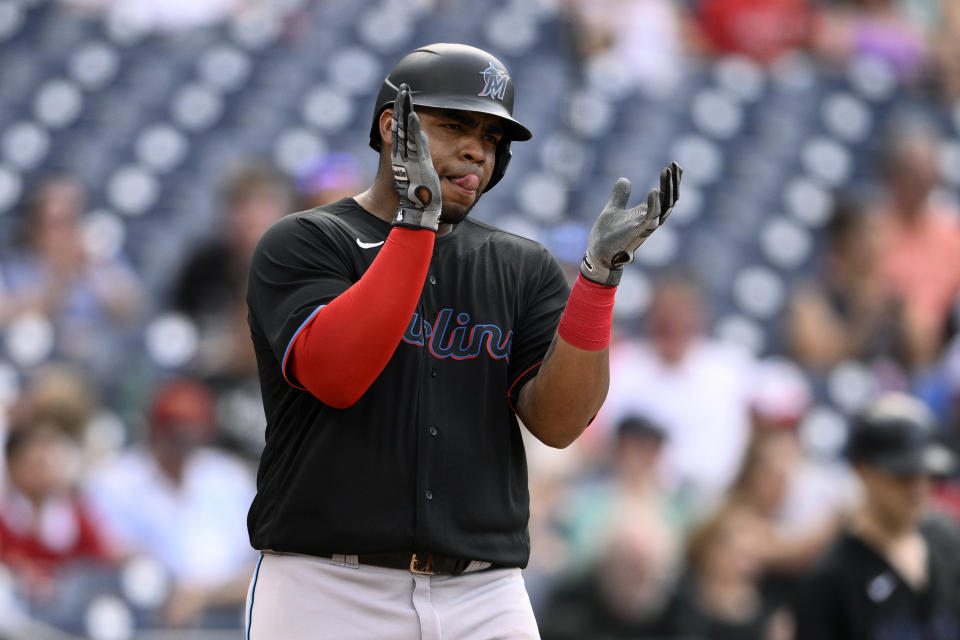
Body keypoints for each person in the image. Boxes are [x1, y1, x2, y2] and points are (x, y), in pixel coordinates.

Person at [242, 42, 682, 639]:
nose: (478, 148)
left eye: (492, 138)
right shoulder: (307, 242)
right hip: (327, 586)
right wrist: (417, 221)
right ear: (394, 127)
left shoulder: (521, 266)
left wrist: (598, 282)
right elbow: (336, 375)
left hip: (484, 592)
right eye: (454, 125)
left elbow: (559, 423)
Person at [83, 378, 257, 628]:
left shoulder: (228, 476)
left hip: (233, 610)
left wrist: (205, 595)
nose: (183, 439)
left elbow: (260, 560)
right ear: (155, 428)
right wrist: (175, 589)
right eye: (175, 430)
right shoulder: (114, 480)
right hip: (147, 615)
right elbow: (110, 556)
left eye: (191, 430)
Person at [792, 392, 960, 640]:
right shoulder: (831, 579)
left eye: (926, 474)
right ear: (863, 470)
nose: (918, 488)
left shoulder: (945, 538)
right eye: (902, 475)